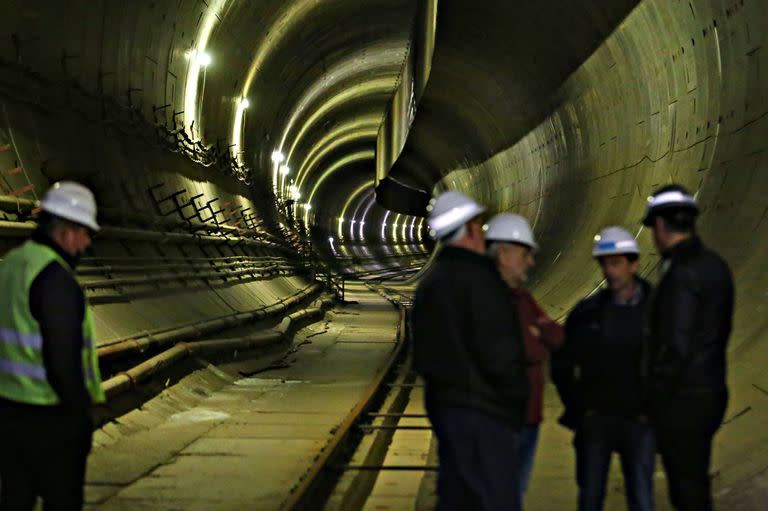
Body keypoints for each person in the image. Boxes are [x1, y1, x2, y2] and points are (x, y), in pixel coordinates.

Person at [412, 191, 528, 511]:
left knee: (457, 495)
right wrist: (517, 402)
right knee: (494, 499)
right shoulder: (481, 281)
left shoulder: (430, 283)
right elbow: (499, 353)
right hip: (485, 414)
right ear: (471, 230)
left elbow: (421, 356)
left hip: (446, 410)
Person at [0, 181, 106, 510]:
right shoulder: (55, 280)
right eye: (85, 233)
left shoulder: (9, 267)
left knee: (15, 500)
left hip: (6, 414)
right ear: (66, 230)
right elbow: (63, 362)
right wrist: (79, 417)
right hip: (49, 419)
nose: (87, 243)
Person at [642, 184, 733, 511]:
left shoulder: (680, 274)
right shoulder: (715, 266)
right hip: (710, 391)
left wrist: (654, 401)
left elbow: (675, 346)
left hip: (682, 402)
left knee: (686, 489)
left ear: (662, 226)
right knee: (695, 478)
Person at [551, 226, 655, 511]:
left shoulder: (658, 311)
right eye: (605, 264)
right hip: (596, 419)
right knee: (590, 496)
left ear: (634, 264)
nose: (610, 272)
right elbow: (562, 364)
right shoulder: (587, 313)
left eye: (617, 263)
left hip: (640, 420)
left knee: (641, 497)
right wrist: (579, 408)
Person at [484, 213, 563, 499]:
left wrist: (536, 337)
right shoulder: (483, 298)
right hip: (500, 421)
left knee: (513, 496)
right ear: (504, 254)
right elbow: (527, 349)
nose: (530, 262)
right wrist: (534, 340)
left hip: (528, 416)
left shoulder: (522, 297)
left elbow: (555, 336)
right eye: (525, 254)